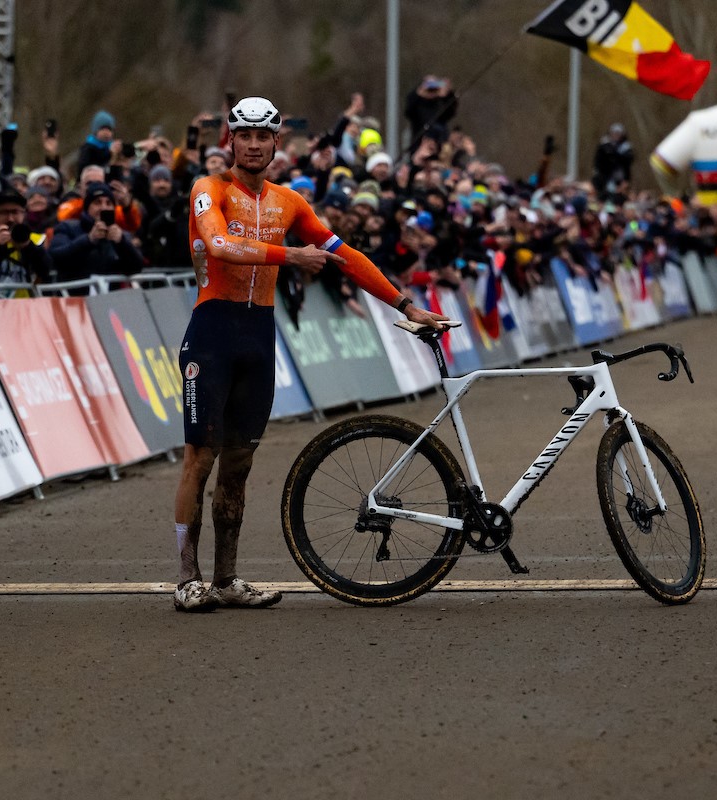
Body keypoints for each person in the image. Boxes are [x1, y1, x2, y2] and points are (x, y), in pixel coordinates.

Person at [172, 96, 447, 612]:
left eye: (263, 137)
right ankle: (188, 579)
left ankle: (226, 579)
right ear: (230, 140)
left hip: (258, 333)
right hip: (211, 333)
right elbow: (220, 244)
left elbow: (346, 256)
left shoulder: (289, 201)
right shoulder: (208, 189)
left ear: (277, 142)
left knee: (240, 463)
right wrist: (291, 254)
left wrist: (408, 303)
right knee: (200, 457)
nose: (253, 146)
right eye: (244, 136)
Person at [49, 181, 145, 282]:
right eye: (97, 202)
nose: (103, 207)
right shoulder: (68, 227)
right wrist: (89, 240)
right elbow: (56, 256)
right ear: (87, 207)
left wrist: (121, 243)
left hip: (111, 296)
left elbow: (136, 267)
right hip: (75, 295)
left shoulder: (122, 234)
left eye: (108, 203)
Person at [592, 122, 634, 202]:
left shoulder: (626, 147)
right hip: (604, 176)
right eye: (614, 133)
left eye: (618, 133)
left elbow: (627, 164)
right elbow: (598, 161)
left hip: (619, 176)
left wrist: (626, 180)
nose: (616, 135)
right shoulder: (604, 145)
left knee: (618, 196)